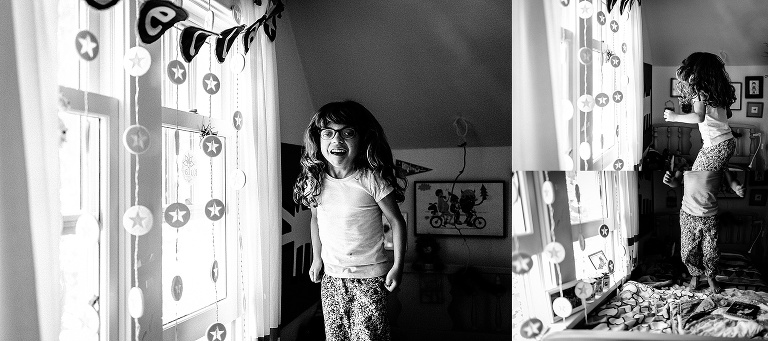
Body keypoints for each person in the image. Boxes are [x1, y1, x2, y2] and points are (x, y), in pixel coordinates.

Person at [293, 100, 407, 341]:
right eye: (328, 133)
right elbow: (315, 220)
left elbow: (397, 222)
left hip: (370, 278)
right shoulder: (314, 181)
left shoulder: (371, 180)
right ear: (319, 139)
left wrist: (398, 265)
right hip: (332, 277)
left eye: (347, 133)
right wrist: (316, 258)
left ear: (362, 138)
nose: (337, 140)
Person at [663, 52, 742, 192]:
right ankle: (732, 185)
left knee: (697, 179)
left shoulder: (699, 91)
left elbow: (699, 117)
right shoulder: (718, 92)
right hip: (728, 142)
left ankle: (686, 192)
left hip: (715, 145)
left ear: (694, 72)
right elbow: (728, 114)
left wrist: (674, 117)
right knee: (705, 176)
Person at [663, 170, 744, 293]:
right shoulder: (686, 162)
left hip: (710, 215)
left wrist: (737, 187)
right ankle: (695, 276)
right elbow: (677, 182)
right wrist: (670, 182)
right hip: (688, 214)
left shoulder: (718, 161)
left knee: (711, 251)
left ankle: (711, 277)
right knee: (688, 251)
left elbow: (731, 180)